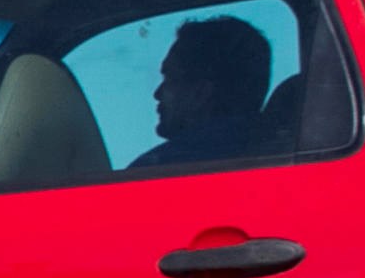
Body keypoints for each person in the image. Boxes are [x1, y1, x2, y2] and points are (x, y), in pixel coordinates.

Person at [116, 14, 277, 174]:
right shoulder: (273, 153)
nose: (157, 94)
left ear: (201, 92)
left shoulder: (158, 170)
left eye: (170, 79)